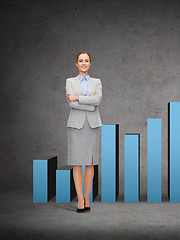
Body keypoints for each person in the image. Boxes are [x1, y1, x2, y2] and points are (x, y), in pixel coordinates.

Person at [65, 51, 102, 213]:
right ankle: (80, 198)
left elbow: (98, 101)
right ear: (76, 64)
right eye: (81, 61)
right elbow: (71, 104)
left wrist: (78, 98)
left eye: (86, 60)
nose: (84, 63)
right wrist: (90, 102)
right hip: (76, 125)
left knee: (90, 163)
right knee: (77, 162)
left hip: (92, 125)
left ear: (90, 63)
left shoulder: (97, 82)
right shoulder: (70, 81)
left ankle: (87, 197)